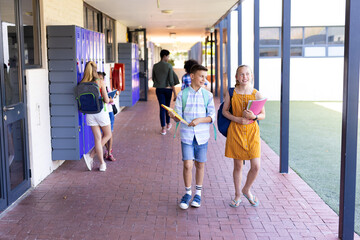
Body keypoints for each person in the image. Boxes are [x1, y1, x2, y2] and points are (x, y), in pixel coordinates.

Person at [168, 64, 215, 209]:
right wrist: (173, 116)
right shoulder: (183, 94)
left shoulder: (208, 95)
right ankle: (188, 193)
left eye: (205, 76)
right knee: (188, 165)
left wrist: (199, 120)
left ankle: (198, 194)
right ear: (192, 76)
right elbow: (178, 117)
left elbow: (212, 116)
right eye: (201, 76)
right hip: (187, 136)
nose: (203, 79)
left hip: (202, 136)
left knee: (200, 164)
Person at [222, 65, 265, 207]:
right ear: (236, 77)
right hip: (236, 131)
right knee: (238, 166)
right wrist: (237, 119)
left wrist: (254, 116)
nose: (244, 77)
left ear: (251, 76)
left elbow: (263, 115)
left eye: (247, 74)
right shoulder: (231, 92)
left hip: (252, 132)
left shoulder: (256, 94)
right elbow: (224, 112)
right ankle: (237, 195)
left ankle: (246, 189)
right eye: (241, 74)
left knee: (256, 166)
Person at [81, 61, 112, 172]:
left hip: (89, 113)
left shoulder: (82, 83)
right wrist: (109, 98)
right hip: (100, 112)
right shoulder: (99, 82)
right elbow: (106, 100)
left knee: (97, 139)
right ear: (95, 70)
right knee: (108, 134)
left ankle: (102, 164)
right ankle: (92, 156)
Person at [152, 49, 177, 135]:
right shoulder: (168, 66)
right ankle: (168, 123)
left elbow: (153, 78)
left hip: (159, 89)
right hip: (168, 89)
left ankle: (163, 128)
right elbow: (171, 80)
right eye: (168, 56)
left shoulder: (155, 66)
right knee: (167, 107)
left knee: (162, 107)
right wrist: (175, 93)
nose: (168, 58)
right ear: (165, 56)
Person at [97, 71, 116, 162]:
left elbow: (111, 101)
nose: (100, 80)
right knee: (102, 134)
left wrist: (110, 99)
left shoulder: (106, 88)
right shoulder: (95, 89)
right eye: (98, 78)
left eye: (101, 78)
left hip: (109, 112)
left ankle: (109, 152)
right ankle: (107, 151)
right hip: (100, 113)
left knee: (109, 133)